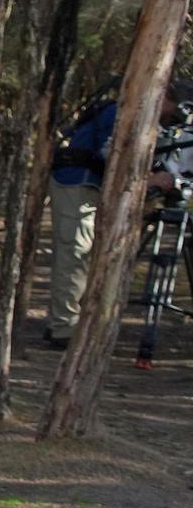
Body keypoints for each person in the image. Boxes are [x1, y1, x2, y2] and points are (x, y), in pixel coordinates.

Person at [43, 76, 193, 349]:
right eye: (178, 110)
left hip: (97, 189)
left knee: (91, 257)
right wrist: (152, 180)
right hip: (78, 184)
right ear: (167, 99)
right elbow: (113, 157)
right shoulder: (126, 111)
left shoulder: (151, 120)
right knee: (75, 254)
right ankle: (63, 328)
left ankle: (75, 322)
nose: (176, 118)